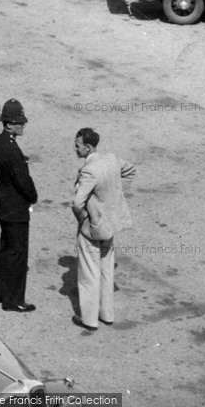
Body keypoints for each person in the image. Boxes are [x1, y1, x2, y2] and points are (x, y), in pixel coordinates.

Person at [71, 128, 136, 331]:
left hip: (93, 227)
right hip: (110, 224)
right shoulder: (111, 159)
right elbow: (130, 170)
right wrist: (113, 196)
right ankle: (107, 314)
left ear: (88, 146)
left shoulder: (89, 171)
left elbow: (76, 202)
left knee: (90, 272)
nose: (75, 148)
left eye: (77, 145)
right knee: (107, 268)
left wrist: (84, 219)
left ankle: (89, 319)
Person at [0, 99, 38, 313]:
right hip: (16, 207)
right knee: (18, 255)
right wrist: (33, 197)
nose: (23, 125)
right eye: (19, 122)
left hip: (4, 204)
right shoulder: (11, 149)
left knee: (6, 250)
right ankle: (14, 300)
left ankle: (1, 293)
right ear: (9, 124)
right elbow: (22, 180)